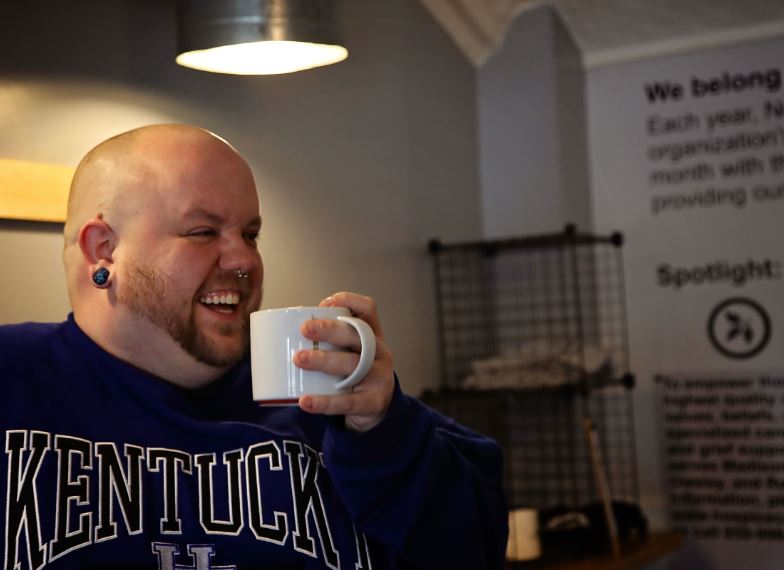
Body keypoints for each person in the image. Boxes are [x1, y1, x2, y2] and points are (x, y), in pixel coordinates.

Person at [1, 124, 508, 569]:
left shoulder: (326, 395)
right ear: (103, 249)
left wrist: (384, 432)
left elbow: (475, 549)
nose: (244, 259)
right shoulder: (16, 380)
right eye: (203, 231)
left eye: (251, 233)